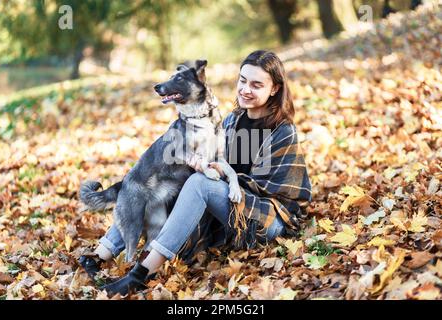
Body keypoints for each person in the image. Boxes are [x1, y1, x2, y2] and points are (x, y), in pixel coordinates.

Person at [79, 50, 312, 296]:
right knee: (149, 186)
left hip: (267, 219)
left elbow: (274, 190)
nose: (245, 89)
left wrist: (218, 172)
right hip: (230, 210)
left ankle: (141, 273)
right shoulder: (232, 120)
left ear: (274, 89)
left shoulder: (282, 131)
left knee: (200, 183)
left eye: (256, 85)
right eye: (242, 81)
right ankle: (98, 255)